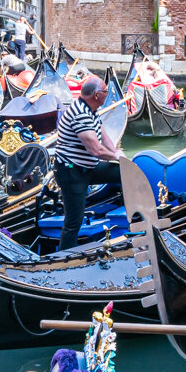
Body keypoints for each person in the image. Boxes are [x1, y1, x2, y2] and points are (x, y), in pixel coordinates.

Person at [54, 76, 126, 251]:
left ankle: (131, 216)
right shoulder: (80, 114)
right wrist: (116, 157)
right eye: (105, 91)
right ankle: (65, 259)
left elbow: (102, 133)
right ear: (96, 95)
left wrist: (118, 154)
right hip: (72, 172)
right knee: (73, 222)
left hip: (88, 168)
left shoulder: (91, 110)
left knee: (124, 172)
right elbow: (96, 150)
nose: (107, 94)